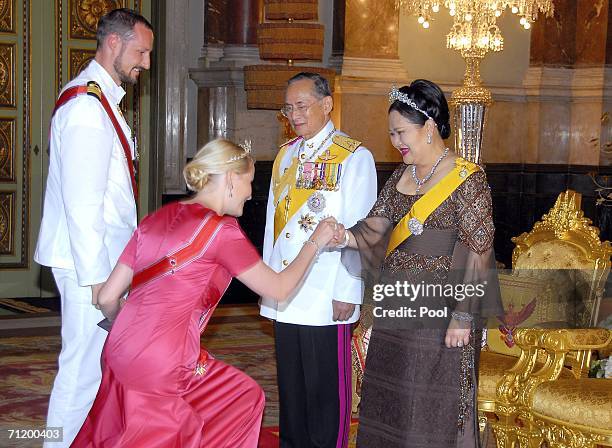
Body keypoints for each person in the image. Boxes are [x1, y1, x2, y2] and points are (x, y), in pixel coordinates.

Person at [71, 139, 341, 447]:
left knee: (241, 395)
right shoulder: (221, 231)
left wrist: (134, 331)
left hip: (119, 350)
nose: (251, 193)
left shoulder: (154, 218)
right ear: (230, 178)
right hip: (166, 360)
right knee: (238, 402)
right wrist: (315, 243)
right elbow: (278, 289)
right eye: (249, 182)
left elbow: (107, 297)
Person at [337, 80, 503, 448]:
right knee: (390, 398)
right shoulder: (402, 175)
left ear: (428, 127)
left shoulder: (467, 178)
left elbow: (479, 250)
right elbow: (375, 228)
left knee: (430, 401)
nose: (397, 141)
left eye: (401, 132)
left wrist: (463, 316)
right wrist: (342, 236)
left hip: (442, 310)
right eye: (392, 133)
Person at [33, 8, 154, 446]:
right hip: (91, 268)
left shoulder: (102, 103)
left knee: (98, 371)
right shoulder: (86, 107)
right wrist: (100, 284)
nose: (145, 63)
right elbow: (83, 207)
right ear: (115, 44)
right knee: (81, 372)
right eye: (141, 52)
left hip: (104, 264)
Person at [259, 72, 377, 447]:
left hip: (327, 291)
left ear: (326, 104)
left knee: (326, 395)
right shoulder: (286, 155)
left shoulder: (354, 156)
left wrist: (349, 289)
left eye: (302, 106)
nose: (294, 115)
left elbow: (362, 228)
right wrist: (267, 282)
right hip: (286, 290)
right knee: (292, 392)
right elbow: (272, 226)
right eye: (288, 108)